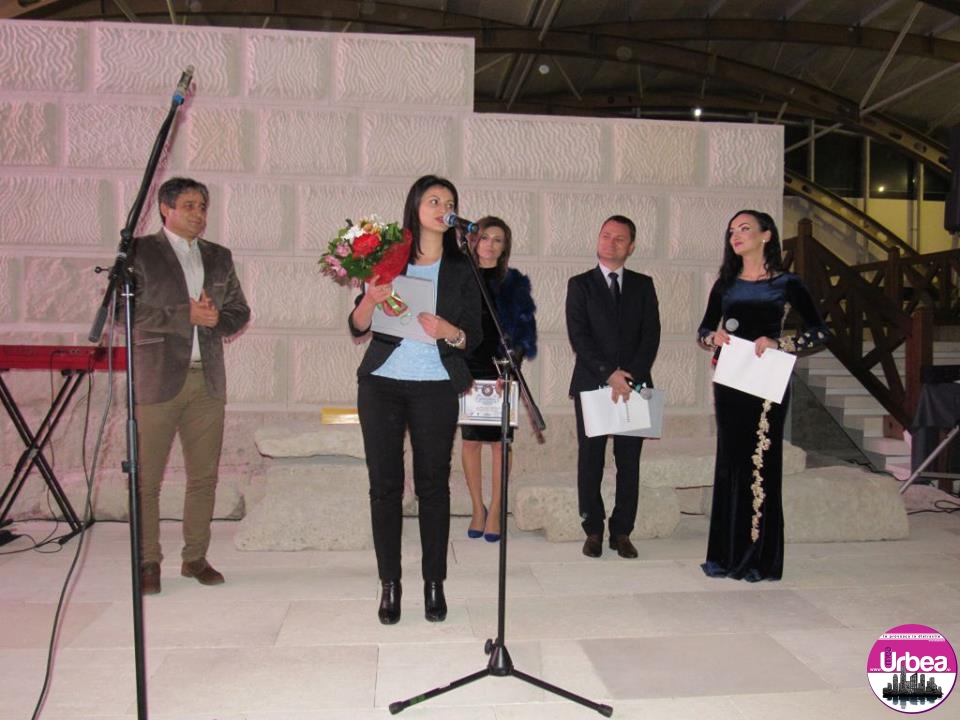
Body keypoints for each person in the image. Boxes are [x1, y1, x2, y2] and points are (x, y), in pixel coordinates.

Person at [348, 175, 481, 624]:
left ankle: (433, 583)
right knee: (384, 487)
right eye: (434, 200)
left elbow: (474, 336)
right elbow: (357, 325)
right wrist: (370, 299)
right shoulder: (389, 258)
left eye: (449, 202)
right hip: (381, 384)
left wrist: (450, 331)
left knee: (433, 487)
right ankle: (390, 583)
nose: (443, 207)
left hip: (435, 385)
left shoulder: (463, 268)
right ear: (416, 207)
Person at [131, 177, 250, 595]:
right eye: (189, 206)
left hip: (207, 380)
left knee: (204, 477)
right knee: (146, 480)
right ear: (166, 209)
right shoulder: (139, 252)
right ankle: (148, 560)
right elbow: (123, 312)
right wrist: (185, 315)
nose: (198, 214)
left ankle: (195, 557)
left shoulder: (218, 256)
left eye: (202, 206)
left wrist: (218, 320)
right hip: (157, 380)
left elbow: (239, 310)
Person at [697, 209, 830, 582]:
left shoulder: (787, 283)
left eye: (744, 229)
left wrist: (779, 343)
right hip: (731, 380)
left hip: (768, 380)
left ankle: (758, 558)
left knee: (761, 463)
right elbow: (703, 330)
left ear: (766, 235)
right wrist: (713, 337)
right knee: (731, 462)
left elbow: (820, 332)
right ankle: (725, 556)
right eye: (731, 231)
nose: (736, 236)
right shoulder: (725, 284)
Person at [566, 215, 661, 559]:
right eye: (606, 236)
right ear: (598, 239)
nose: (611, 243)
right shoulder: (580, 285)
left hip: (635, 386)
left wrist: (629, 377)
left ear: (631, 247)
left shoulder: (644, 285)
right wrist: (609, 374)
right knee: (590, 459)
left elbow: (651, 335)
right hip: (593, 383)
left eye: (619, 238)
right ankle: (593, 529)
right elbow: (579, 336)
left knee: (629, 462)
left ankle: (622, 531)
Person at [460, 216, 537, 543]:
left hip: (500, 369)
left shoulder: (513, 282)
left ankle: (495, 509)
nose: (489, 245)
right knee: (470, 441)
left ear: (505, 247)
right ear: (473, 240)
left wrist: (510, 367)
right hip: (466, 368)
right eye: (484, 237)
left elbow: (524, 331)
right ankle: (477, 507)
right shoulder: (461, 277)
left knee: (499, 443)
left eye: (498, 240)